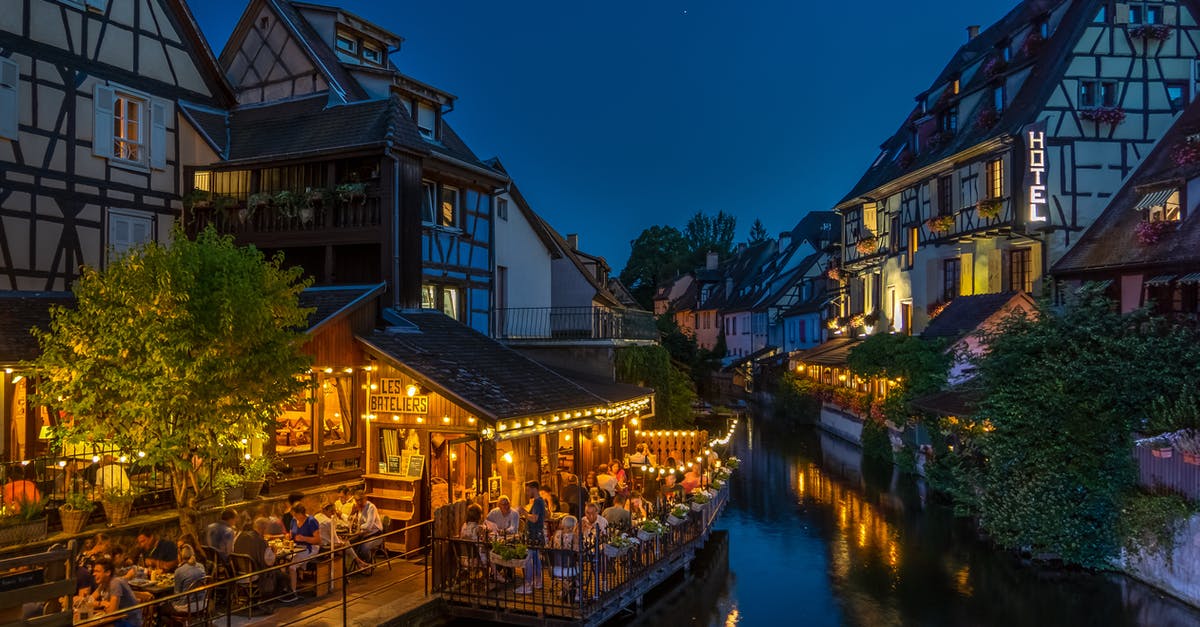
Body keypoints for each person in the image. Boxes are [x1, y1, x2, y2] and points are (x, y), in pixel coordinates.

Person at [282, 503, 320, 603]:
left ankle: (293, 593)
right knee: (282, 564)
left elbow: (317, 540)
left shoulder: (311, 521)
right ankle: (285, 588)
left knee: (292, 566)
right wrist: (288, 536)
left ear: (300, 513)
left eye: (295, 514)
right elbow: (291, 534)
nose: (293, 517)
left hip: (309, 547)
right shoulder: (294, 521)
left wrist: (304, 538)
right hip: (296, 547)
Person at [89, 558, 141, 627]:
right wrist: (100, 604)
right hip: (117, 619)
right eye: (94, 571)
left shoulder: (115, 583)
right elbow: (88, 602)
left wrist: (104, 607)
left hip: (129, 622)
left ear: (108, 573)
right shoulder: (103, 584)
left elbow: (112, 612)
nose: (94, 574)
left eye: (97, 571)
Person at [514, 480, 545, 594]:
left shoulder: (537, 502)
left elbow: (534, 518)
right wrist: (526, 512)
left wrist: (524, 512)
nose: (527, 493)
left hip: (534, 535)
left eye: (528, 490)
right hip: (536, 534)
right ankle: (538, 581)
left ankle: (528, 584)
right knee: (536, 558)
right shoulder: (539, 502)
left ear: (534, 489)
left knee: (528, 559)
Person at [164, 545, 206, 618]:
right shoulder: (201, 566)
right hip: (202, 604)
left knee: (161, 607)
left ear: (180, 556)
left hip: (186, 607)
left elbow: (177, 594)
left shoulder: (179, 571)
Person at [350, 488, 382, 569]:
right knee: (350, 544)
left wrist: (359, 527)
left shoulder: (371, 507)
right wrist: (352, 513)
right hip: (364, 534)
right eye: (357, 500)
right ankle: (357, 565)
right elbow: (350, 521)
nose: (359, 502)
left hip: (375, 534)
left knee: (364, 548)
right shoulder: (358, 508)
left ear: (365, 499)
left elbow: (368, 526)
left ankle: (368, 563)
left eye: (361, 500)